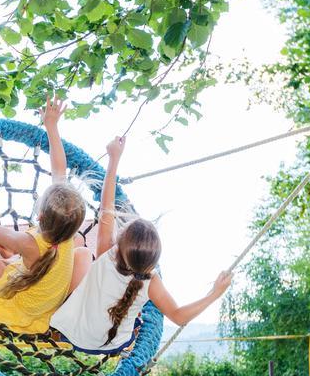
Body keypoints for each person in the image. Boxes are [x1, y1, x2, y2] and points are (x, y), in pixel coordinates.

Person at [51, 136, 232, 353]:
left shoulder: (107, 252)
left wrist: (114, 159)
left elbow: (106, 206)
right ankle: (129, 321)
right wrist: (215, 292)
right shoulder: (151, 280)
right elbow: (179, 316)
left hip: (73, 333)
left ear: (120, 244)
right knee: (134, 306)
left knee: (80, 251)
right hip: (112, 345)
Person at [0, 96, 92, 334]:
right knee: (83, 250)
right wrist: (52, 127)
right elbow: (59, 171)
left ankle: (10, 258)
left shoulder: (29, 242)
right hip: (51, 297)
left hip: (24, 308)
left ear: (41, 216)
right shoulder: (66, 234)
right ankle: (12, 258)